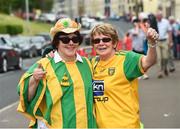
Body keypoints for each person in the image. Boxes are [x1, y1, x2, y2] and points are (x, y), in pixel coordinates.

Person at [17, 18, 97, 128]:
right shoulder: (44, 65)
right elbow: (26, 97)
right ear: (56, 42)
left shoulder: (87, 64)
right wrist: (34, 80)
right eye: (65, 39)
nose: (71, 43)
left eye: (75, 39)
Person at [90, 23, 158, 128]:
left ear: (114, 43)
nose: (101, 43)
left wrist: (151, 43)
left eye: (106, 40)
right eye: (96, 41)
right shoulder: (91, 63)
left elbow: (149, 61)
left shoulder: (126, 59)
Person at [156, 10, 173, 78]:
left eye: (159, 16)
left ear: (162, 16)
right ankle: (160, 71)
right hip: (157, 41)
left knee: (165, 57)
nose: (158, 17)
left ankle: (165, 67)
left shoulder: (166, 22)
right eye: (157, 16)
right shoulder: (155, 22)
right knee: (159, 57)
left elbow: (169, 31)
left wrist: (170, 41)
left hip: (165, 41)